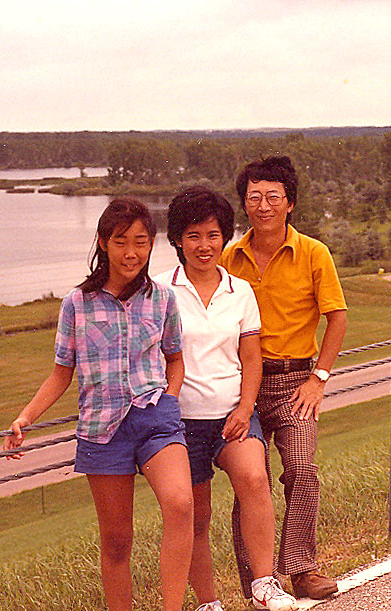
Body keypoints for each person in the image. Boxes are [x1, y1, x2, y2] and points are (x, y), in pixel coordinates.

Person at [4, 197, 194, 611]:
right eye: (121, 241)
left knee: (181, 505)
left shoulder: (163, 299)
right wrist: (25, 418)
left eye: (141, 242)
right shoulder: (76, 305)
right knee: (116, 540)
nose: (131, 253)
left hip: (155, 417)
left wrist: (169, 399)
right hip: (102, 431)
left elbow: (175, 360)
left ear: (152, 244)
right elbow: (60, 374)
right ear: (103, 243)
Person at [154, 187, 297, 611]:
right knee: (196, 514)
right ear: (177, 239)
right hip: (181, 423)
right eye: (193, 236)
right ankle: (208, 602)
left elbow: (251, 357)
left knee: (254, 480)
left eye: (213, 235)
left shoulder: (241, 291)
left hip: (233, 414)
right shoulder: (160, 291)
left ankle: (265, 584)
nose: (204, 246)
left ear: (225, 237)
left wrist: (245, 407)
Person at [219, 156, 348, 601]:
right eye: (254, 197)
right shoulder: (228, 258)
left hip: (296, 384)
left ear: (290, 203)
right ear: (244, 203)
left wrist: (319, 379)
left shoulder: (314, 253)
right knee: (250, 480)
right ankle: (260, 583)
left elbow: (337, 318)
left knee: (302, 469)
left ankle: (302, 569)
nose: (263, 206)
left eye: (273, 197)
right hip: (243, 388)